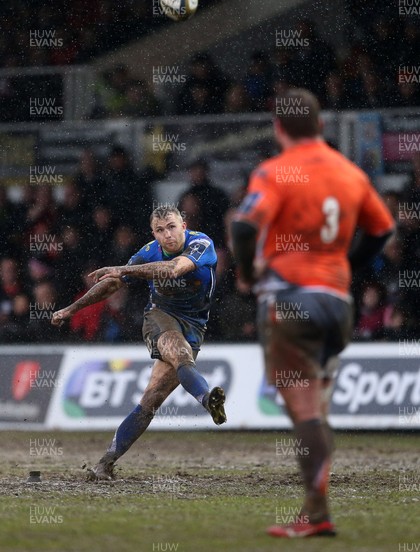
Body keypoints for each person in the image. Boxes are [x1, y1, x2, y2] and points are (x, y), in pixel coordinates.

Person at [231, 88, 394, 538]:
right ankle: (315, 511)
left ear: (278, 128)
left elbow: (245, 225)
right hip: (338, 303)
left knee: (305, 413)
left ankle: (318, 514)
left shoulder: (276, 171)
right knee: (317, 408)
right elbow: (383, 229)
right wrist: (346, 267)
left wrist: (246, 273)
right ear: (321, 126)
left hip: (289, 299)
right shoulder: (351, 173)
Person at [51, 205, 226, 480]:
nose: (167, 235)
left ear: (183, 224)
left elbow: (172, 270)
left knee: (151, 400)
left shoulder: (201, 243)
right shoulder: (148, 252)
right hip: (160, 317)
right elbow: (112, 284)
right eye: (160, 230)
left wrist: (123, 269)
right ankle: (207, 399)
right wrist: (72, 309)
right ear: (153, 233)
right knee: (180, 355)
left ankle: (105, 462)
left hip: (194, 325)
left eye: (171, 226)